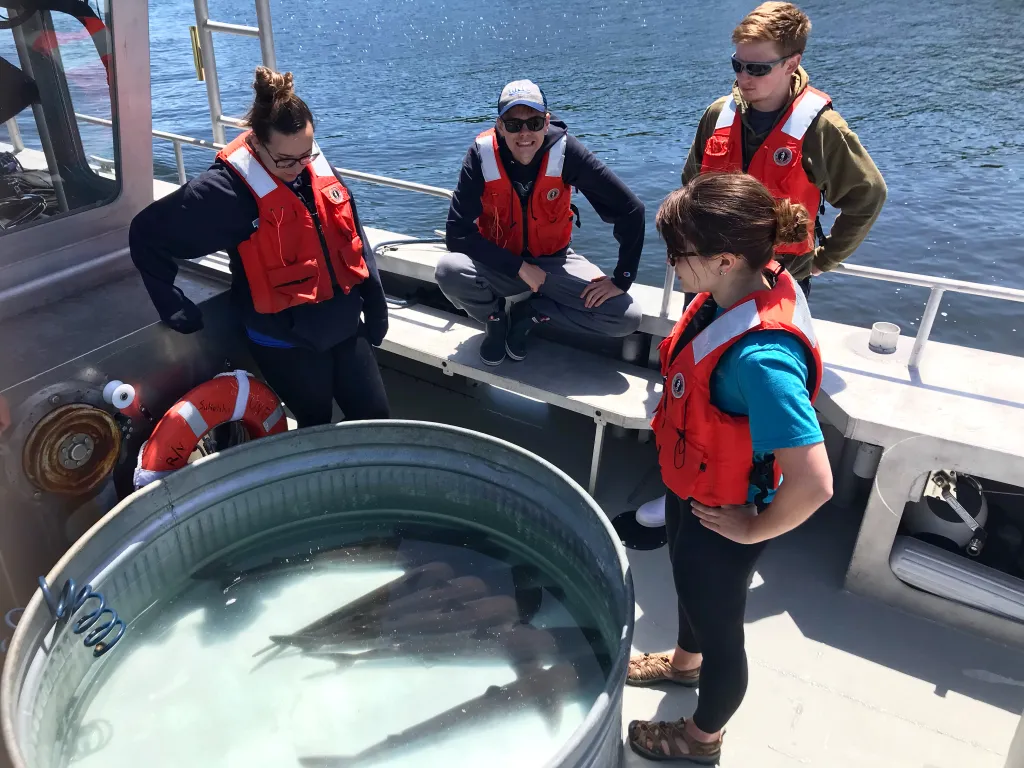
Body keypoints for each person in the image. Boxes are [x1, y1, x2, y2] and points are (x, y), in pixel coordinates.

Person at [626, 173, 834, 764]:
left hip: (727, 516)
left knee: (722, 631)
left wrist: (752, 528)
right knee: (690, 591)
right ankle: (683, 665)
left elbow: (816, 480)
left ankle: (700, 738)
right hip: (691, 492)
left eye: (678, 254)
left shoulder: (762, 358)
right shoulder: (735, 290)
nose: (670, 264)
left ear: (723, 259)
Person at [130, 66, 390, 428]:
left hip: (345, 327)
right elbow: (145, 233)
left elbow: (354, 237)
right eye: (286, 161)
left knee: (376, 418)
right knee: (315, 424)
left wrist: (376, 309)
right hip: (285, 342)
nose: (299, 167)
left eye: (307, 155)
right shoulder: (224, 190)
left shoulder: (308, 161)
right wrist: (172, 304)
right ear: (257, 143)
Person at [683, 1, 886, 297]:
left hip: (778, 283)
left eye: (757, 68)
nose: (744, 77)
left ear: (791, 64)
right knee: (692, 345)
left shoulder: (822, 129)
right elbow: (690, 184)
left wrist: (825, 259)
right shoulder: (718, 114)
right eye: (737, 65)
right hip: (709, 276)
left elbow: (868, 197)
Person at [436, 79, 645, 366]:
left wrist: (622, 278)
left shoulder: (567, 152)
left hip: (553, 264)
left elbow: (631, 210)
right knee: (449, 270)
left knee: (624, 317)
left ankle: (531, 313)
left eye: (533, 123)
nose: (524, 134)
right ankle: (495, 320)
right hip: (500, 263)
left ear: (546, 123)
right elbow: (457, 233)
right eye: (513, 124)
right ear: (499, 126)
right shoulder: (480, 154)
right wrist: (518, 267)